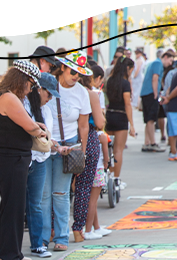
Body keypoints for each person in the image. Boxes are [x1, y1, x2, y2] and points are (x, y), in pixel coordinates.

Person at [0, 60, 48, 260]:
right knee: (13, 208)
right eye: (30, 84)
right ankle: (8, 257)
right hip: (11, 159)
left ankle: (13, 253)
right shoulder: (8, 97)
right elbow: (29, 126)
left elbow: (26, 122)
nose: (30, 89)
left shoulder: (5, 96)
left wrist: (35, 126)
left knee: (13, 207)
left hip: (11, 158)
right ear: (21, 79)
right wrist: (40, 130)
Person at [42, 51, 92, 248]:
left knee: (61, 194)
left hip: (70, 147)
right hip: (45, 144)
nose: (75, 77)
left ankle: (62, 238)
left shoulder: (82, 93)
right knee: (44, 195)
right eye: (73, 71)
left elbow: (84, 126)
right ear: (62, 67)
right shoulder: (47, 84)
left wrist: (83, 152)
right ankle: (43, 238)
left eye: (79, 74)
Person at [25, 72, 60, 258]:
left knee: (35, 204)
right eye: (49, 94)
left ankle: (37, 244)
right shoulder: (22, 104)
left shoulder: (46, 111)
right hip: (21, 159)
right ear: (39, 89)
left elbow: (47, 139)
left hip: (39, 160)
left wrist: (56, 146)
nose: (50, 98)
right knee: (15, 205)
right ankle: (8, 248)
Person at [73, 66, 106, 241]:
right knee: (84, 188)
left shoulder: (68, 91)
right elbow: (100, 123)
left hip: (69, 137)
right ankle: (79, 229)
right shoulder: (91, 95)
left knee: (60, 189)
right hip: (89, 138)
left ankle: (54, 231)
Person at [105, 57, 136, 192]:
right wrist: (132, 125)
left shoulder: (109, 81)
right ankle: (116, 179)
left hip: (109, 115)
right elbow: (127, 104)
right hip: (121, 116)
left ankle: (106, 176)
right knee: (118, 150)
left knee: (107, 149)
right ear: (128, 69)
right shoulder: (125, 83)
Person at [140, 49, 175, 152]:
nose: (170, 63)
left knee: (148, 120)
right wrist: (156, 93)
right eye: (170, 60)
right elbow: (155, 78)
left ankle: (147, 142)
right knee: (151, 119)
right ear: (165, 57)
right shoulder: (158, 64)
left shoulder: (153, 63)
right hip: (151, 93)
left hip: (146, 93)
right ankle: (152, 143)